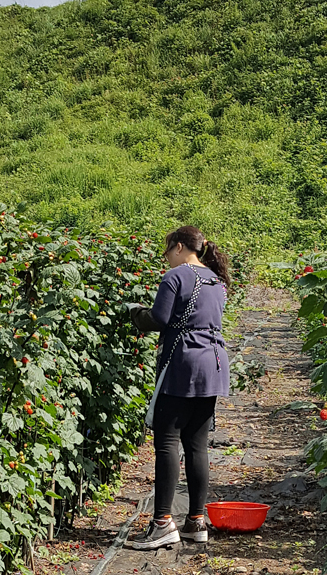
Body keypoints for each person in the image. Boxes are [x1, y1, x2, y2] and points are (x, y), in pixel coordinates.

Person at [127, 226, 231, 550]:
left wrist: (133, 314)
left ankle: (161, 523)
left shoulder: (176, 277)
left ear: (180, 246)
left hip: (184, 363)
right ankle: (196, 522)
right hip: (213, 363)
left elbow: (159, 317)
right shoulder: (216, 281)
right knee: (197, 445)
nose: (165, 257)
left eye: (167, 249)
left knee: (167, 441)